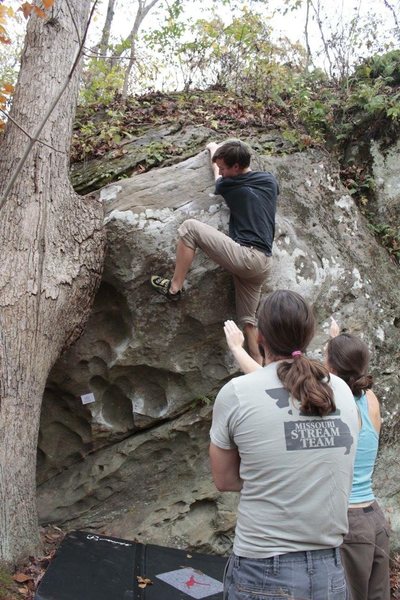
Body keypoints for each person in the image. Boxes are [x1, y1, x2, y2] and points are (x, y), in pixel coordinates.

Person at [209, 290, 359, 600]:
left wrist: (274, 477)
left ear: (260, 336)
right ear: (310, 335)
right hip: (330, 570)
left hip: (262, 568)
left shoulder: (237, 393)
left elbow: (224, 480)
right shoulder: (342, 391)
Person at [151, 139, 279, 364]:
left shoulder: (230, 185)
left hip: (247, 258)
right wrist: (217, 152)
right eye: (219, 166)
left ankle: (174, 288)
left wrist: (212, 148)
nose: (220, 170)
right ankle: (261, 367)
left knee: (189, 228)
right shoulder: (269, 181)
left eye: (224, 167)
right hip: (263, 264)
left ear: (236, 168)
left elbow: (217, 177)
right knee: (249, 322)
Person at [326, 331, 390, 600]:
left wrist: (238, 351)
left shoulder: (336, 405)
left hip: (349, 523)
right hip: (375, 519)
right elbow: (350, 370)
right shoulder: (371, 400)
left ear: (331, 368)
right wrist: (339, 341)